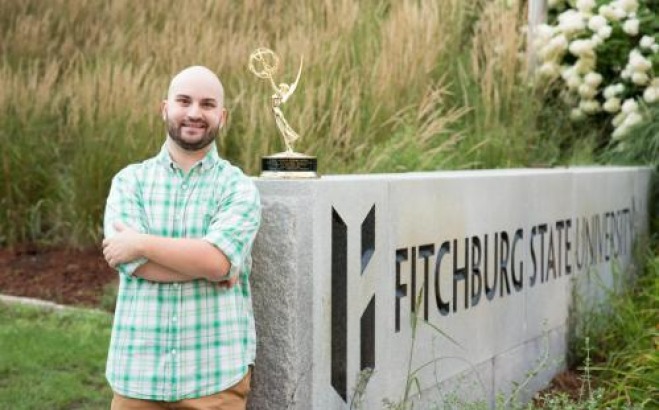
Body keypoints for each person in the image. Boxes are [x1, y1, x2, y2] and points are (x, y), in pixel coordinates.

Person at [102, 65, 261, 410]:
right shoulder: (129, 182)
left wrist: (142, 243)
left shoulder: (238, 187)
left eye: (207, 104)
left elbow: (216, 261)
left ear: (222, 116)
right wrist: (208, 264)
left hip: (215, 379)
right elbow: (135, 266)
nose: (194, 113)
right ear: (165, 108)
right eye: (184, 101)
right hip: (137, 375)